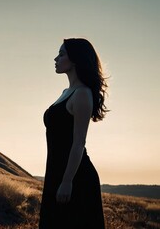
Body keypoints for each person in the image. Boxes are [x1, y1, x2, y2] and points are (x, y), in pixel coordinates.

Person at [39, 38, 108, 228]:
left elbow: (79, 143)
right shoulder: (66, 92)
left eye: (61, 54)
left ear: (76, 59)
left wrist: (67, 181)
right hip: (56, 172)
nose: (56, 58)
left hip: (75, 177)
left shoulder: (82, 94)